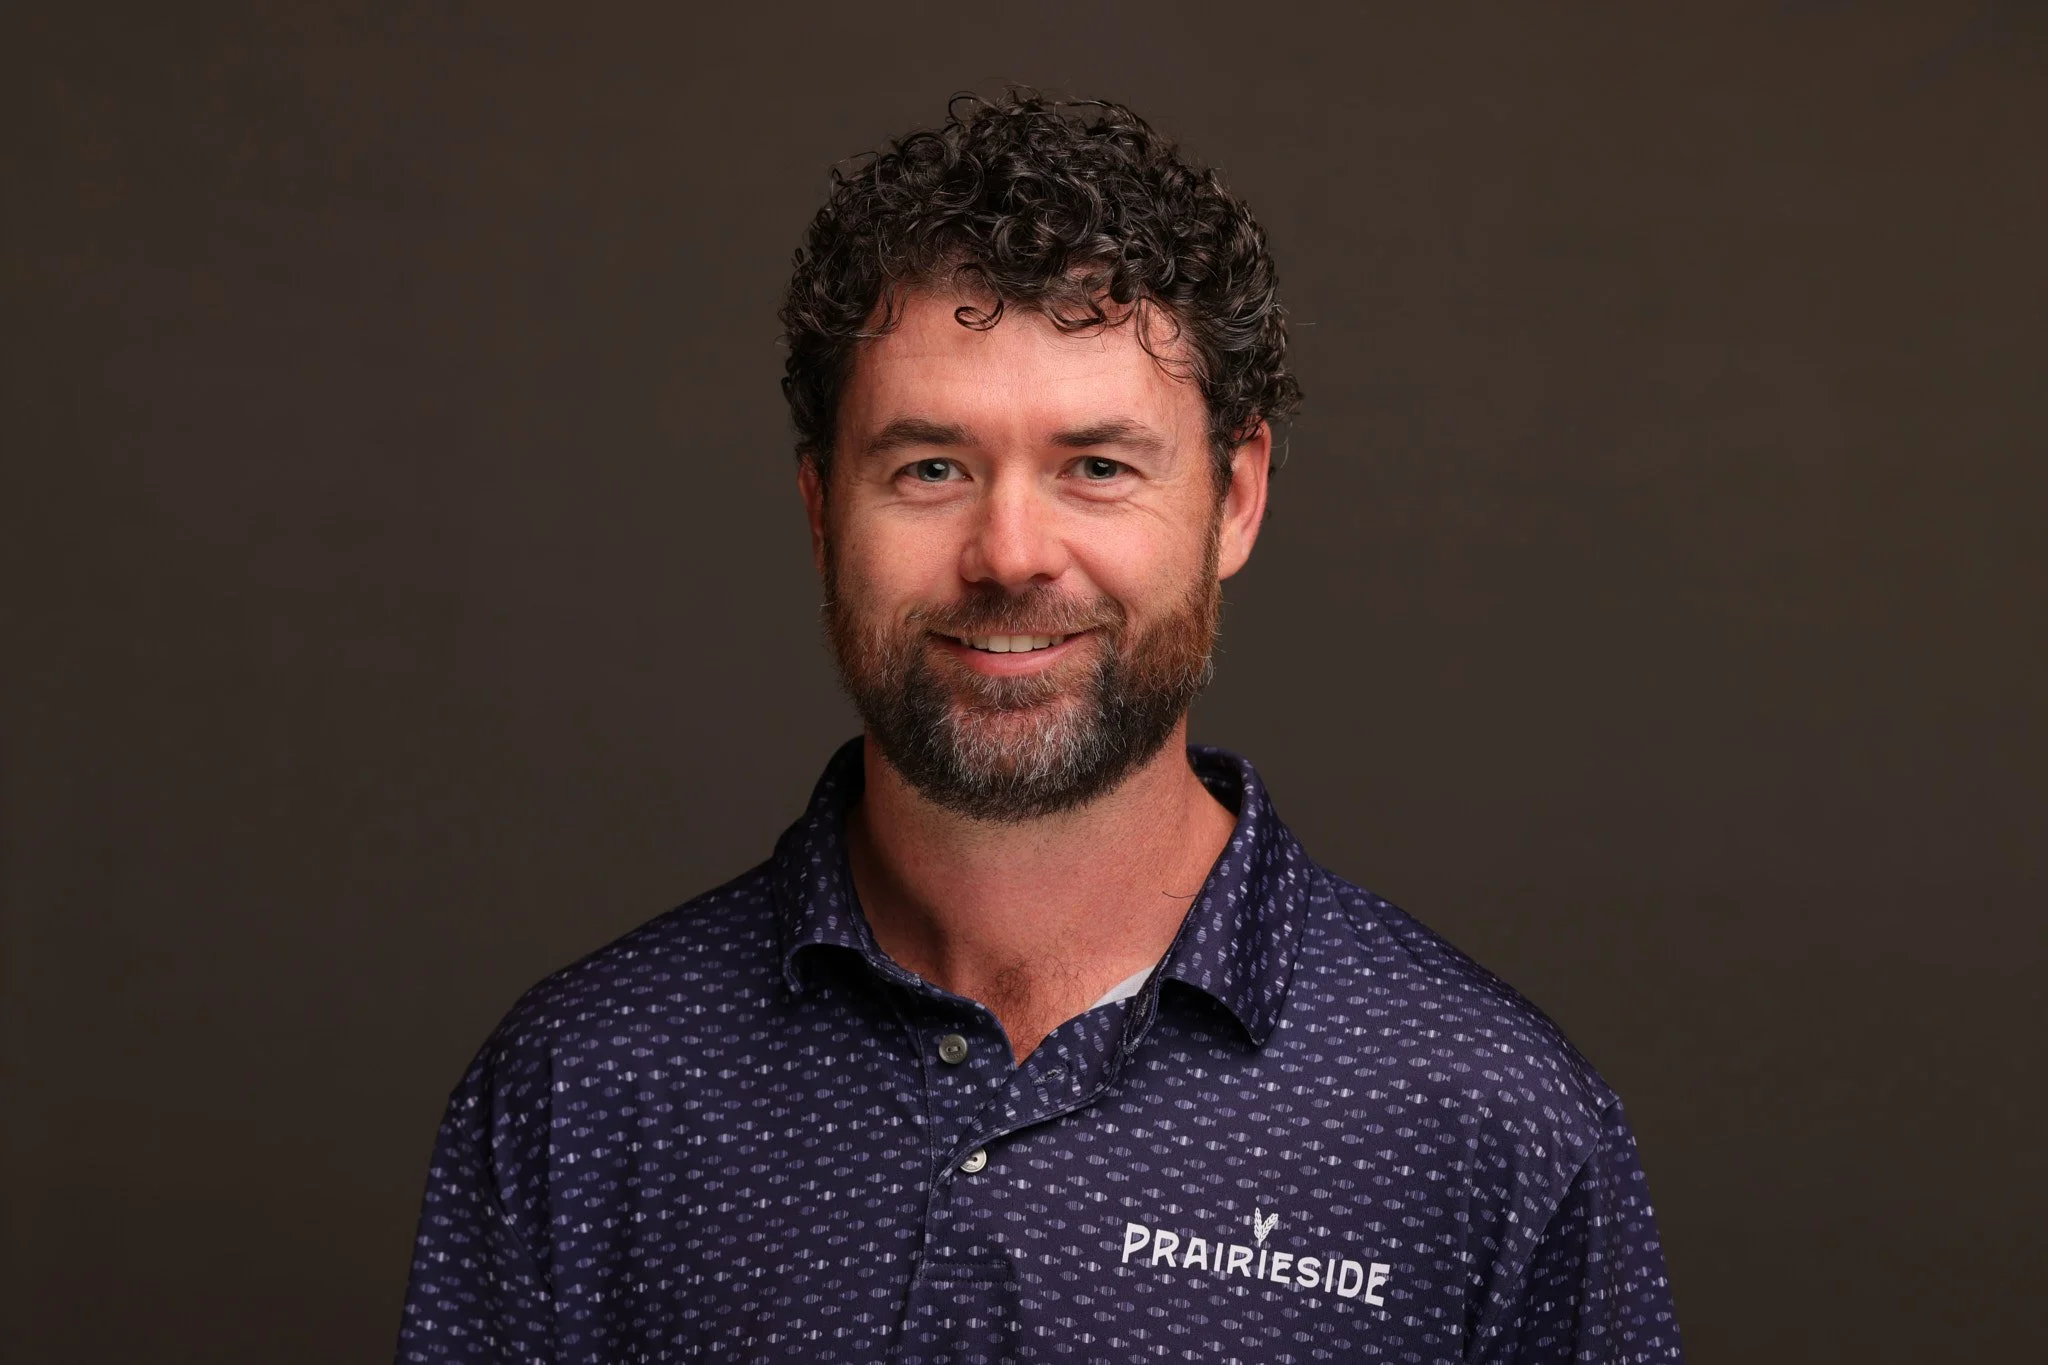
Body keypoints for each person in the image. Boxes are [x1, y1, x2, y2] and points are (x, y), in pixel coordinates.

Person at [394, 93, 1683, 1363]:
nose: (1010, 555)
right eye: (931, 469)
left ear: (1235, 499)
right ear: (820, 513)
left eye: (1098, 467)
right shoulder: (581, 1092)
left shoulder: (1485, 1120)